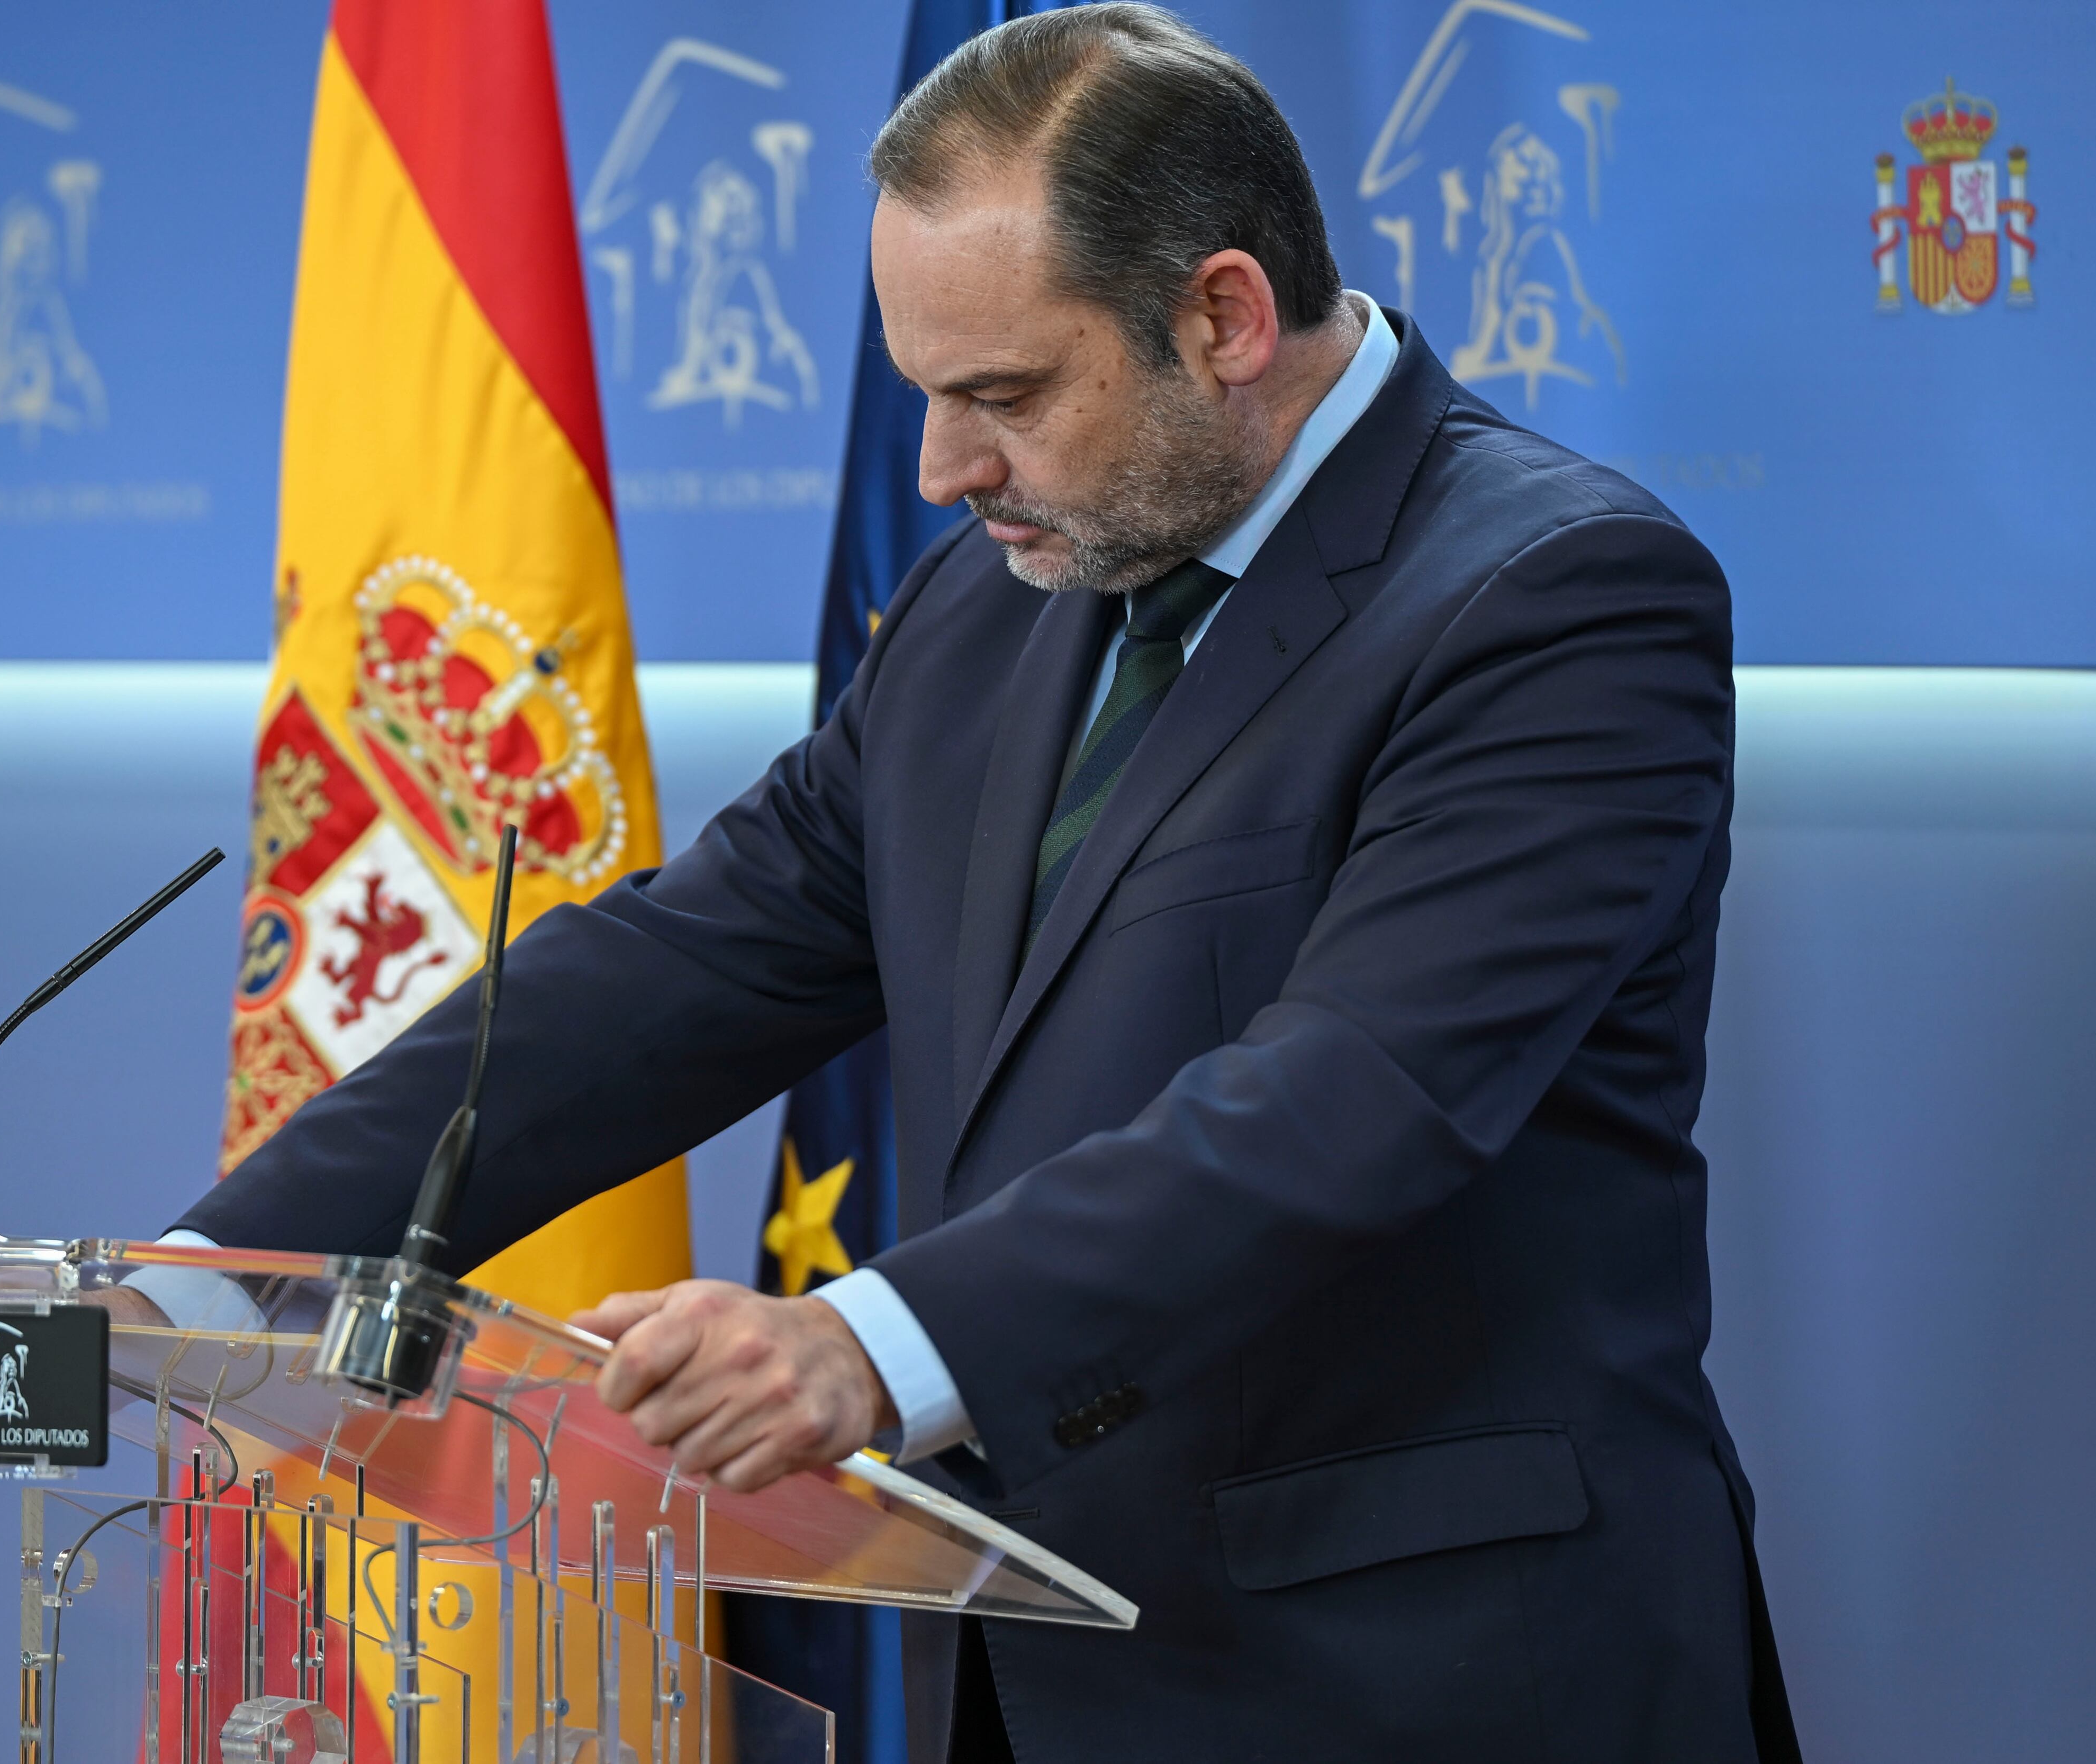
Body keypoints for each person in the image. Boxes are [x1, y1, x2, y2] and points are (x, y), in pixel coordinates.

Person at [132, 8, 1795, 1758]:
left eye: (1004, 396)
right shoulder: (982, 609)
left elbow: (1358, 1093)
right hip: (1047, 1665)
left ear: (1224, 318)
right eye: (925, 394)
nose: (943, 470)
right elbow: (688, 965)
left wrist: (875, 1342)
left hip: (1432, 1680)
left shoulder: (1561, 599)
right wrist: (212, 1270)